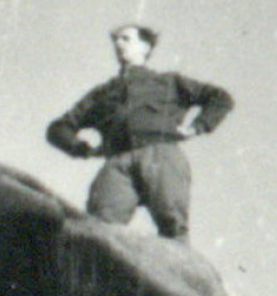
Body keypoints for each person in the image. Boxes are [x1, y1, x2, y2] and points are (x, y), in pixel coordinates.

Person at [44, 22, 234, 239]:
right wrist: (82, 149)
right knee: (97, 230)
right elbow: (58, 128)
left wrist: (197, 127)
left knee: (173, 228)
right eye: (116, 40)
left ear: (145, 47)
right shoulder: (102, 93)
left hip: (160, 156)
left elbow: (220, 98)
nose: (118, 44)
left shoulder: (169, 82)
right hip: (118, 163)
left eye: (126, 39)